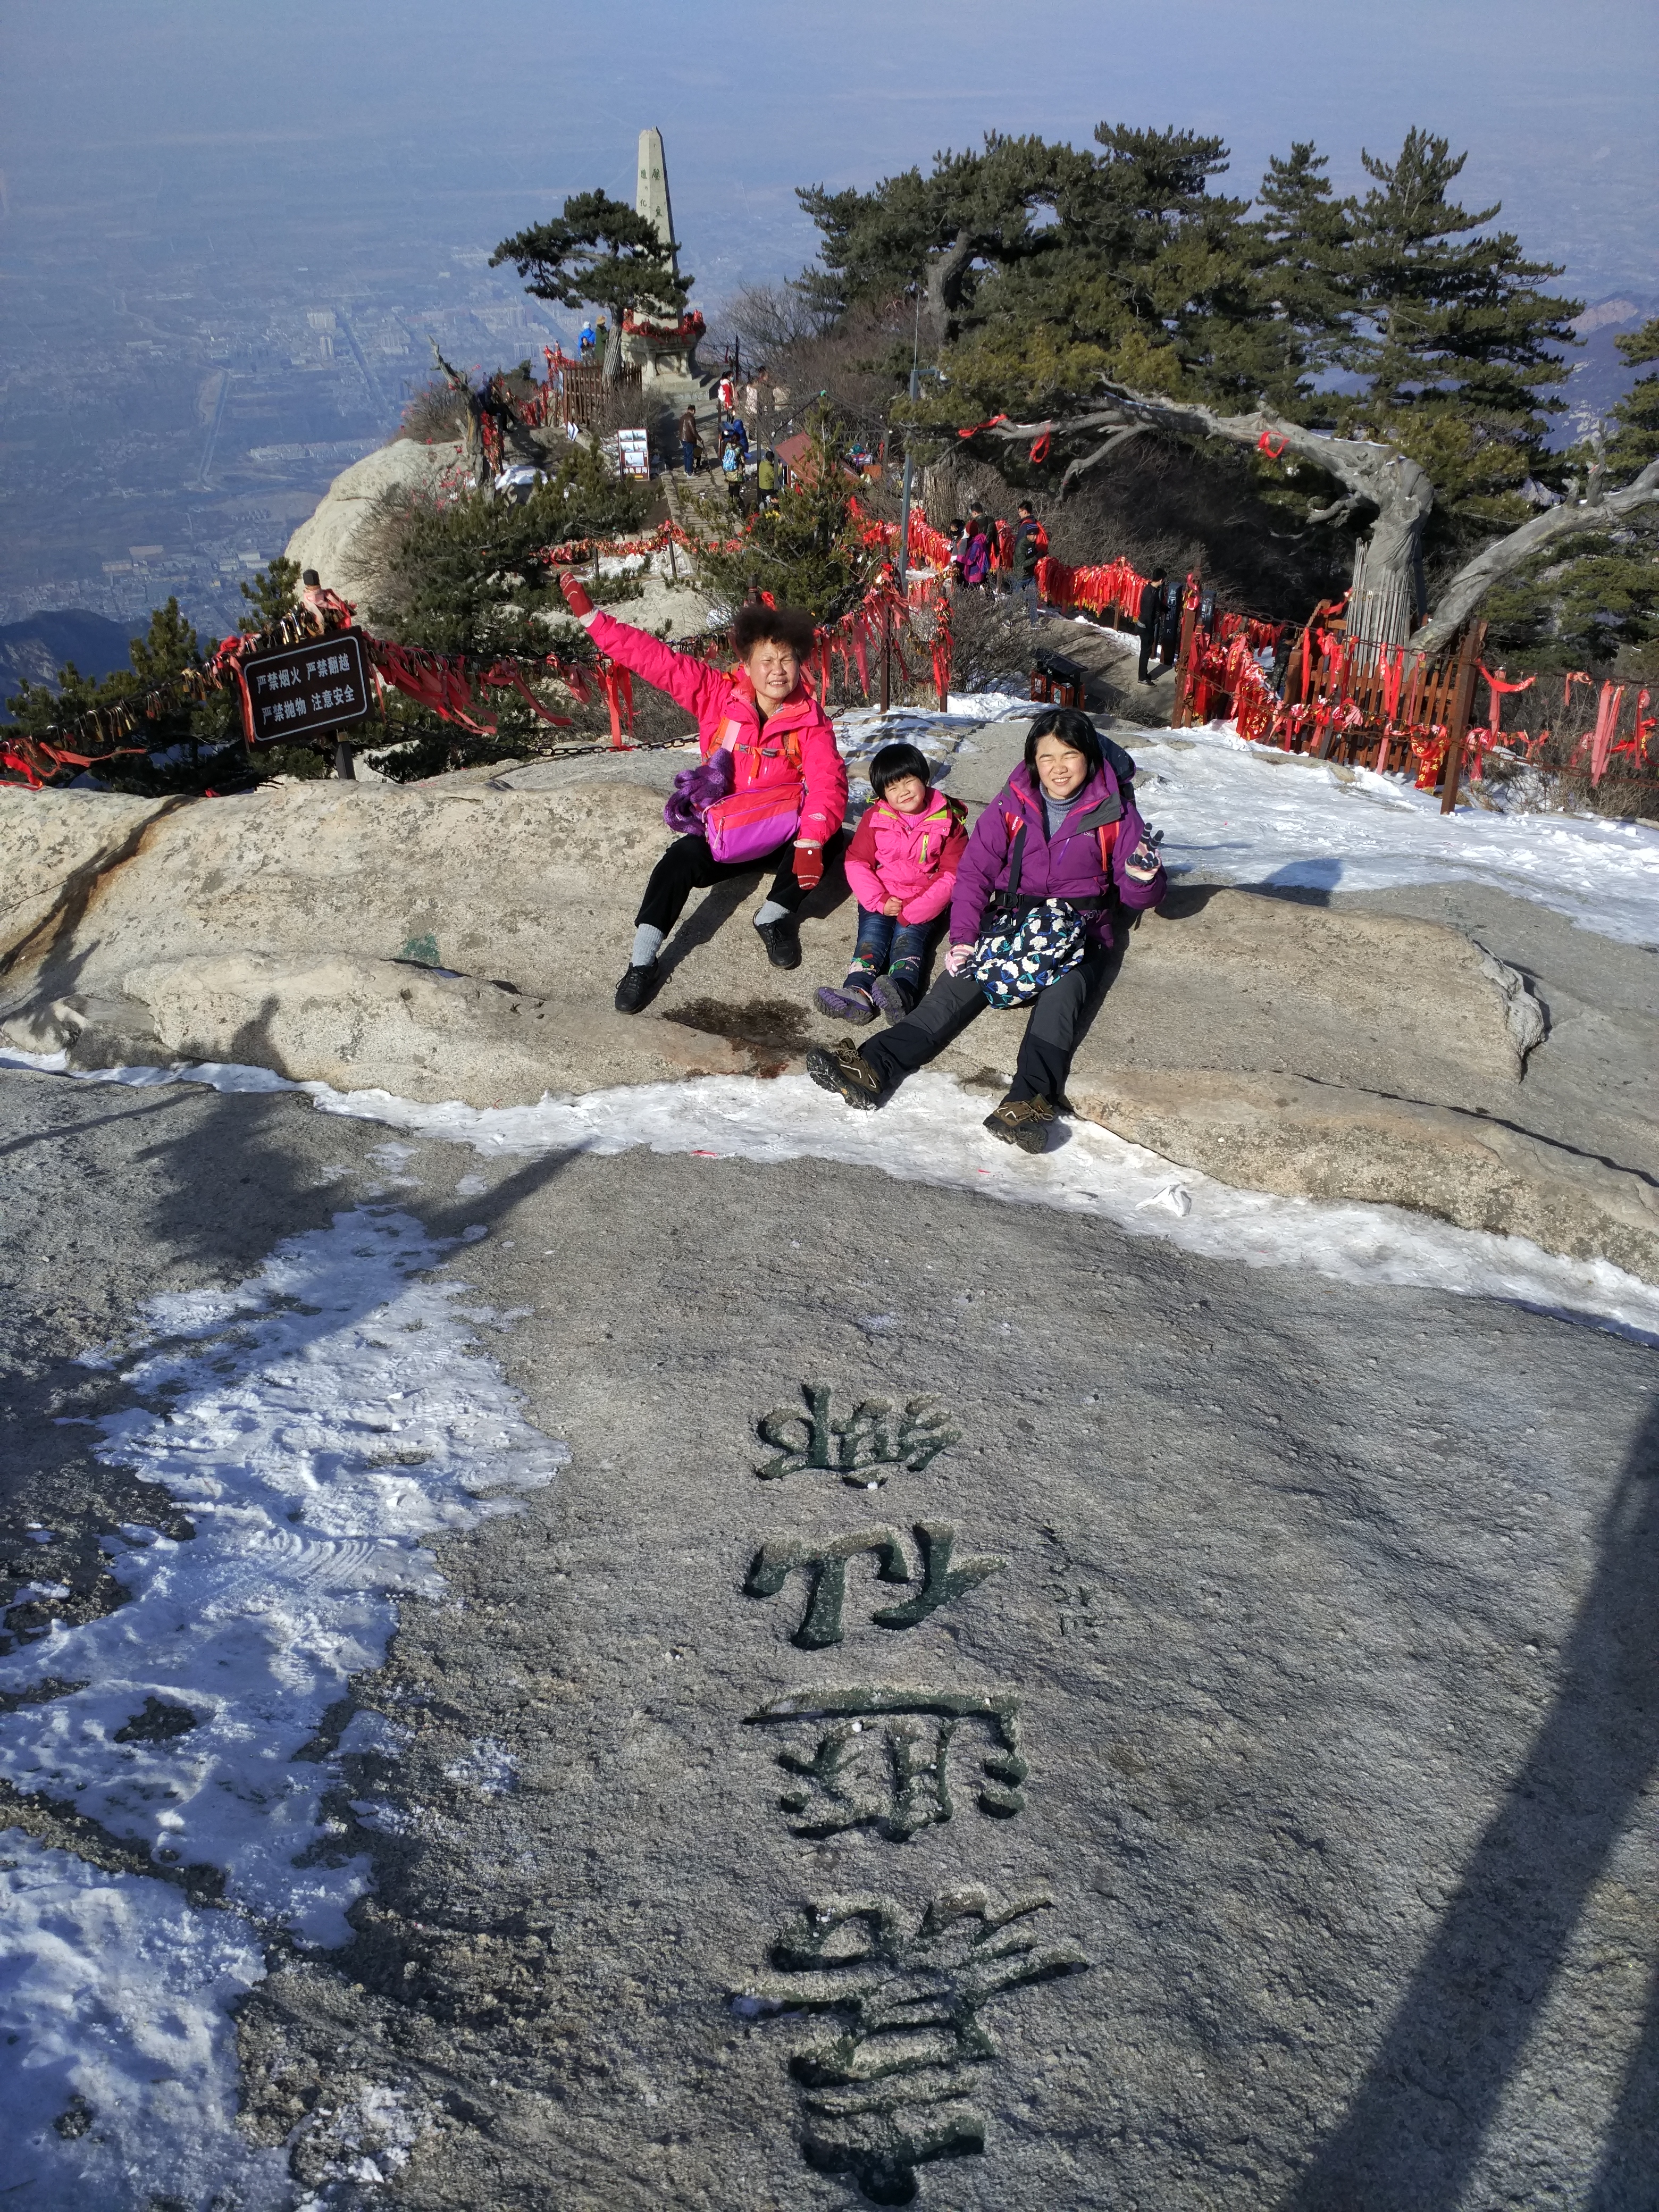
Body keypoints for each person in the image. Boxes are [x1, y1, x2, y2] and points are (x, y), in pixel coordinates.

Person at [806, 708, 1164, 1153]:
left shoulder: (1116, 812)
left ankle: (1026, 1102)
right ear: (1033, 760)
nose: (1058, 768)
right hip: (1011, 923)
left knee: (1061, 1002)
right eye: (1047, 757)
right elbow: (975, 873)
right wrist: (963, 940)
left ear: (1088, 757)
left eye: (1069, 755)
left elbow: (1138, 899)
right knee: (954, 988)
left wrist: (1143, 878)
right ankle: (874, 1065)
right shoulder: (1013, 802)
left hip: (1080, 933)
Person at [557, 574, 847, 1011]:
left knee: (831, 838)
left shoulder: (811, 719)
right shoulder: (716, 695)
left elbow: (828, 782)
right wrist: (595, 621)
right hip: (724, 831)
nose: (778, 671)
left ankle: (774, 915)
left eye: (787, 660)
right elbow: (655, 659)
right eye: (767, 660)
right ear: (746, 662)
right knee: (676, 864)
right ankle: (642, 962)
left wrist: (810, 842)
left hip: (778, 833)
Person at [816, 743, 968, 1025]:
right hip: (880, 897)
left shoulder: (949, 821)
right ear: (883, 794)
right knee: (870, 941)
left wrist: (915, 909)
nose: (904, 792)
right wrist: (878, 900)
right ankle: (857, 992)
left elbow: (953, 874)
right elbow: (857, 862)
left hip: (921, 902)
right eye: (893, 788)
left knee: (907, 944)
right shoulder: (876, 818)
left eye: (909, 781)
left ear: (924, 778)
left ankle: (902, 991)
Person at [1010, 501, 1048, 623]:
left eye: (1020, 511)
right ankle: (1007, 617)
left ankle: (1034, 622)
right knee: (1015, 598)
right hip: (1022, 574)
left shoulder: (1026, 527)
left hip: (1028, 573)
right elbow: (1022, 562)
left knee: (1032, 598)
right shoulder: (1033, 524)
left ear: (1025, 511)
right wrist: (1036, 557)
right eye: (1034, 536)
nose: (1036, 538)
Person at [1136, 567, 1167, 684]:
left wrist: (1165, 609)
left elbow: (1156, 605)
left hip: (1146, 625)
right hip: (1146, 627)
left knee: (1147, 651)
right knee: (1145, 652)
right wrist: (1150, 630)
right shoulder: (1150, 594)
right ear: (1161, 580)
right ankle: (1142, 678)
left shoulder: (1151, 589)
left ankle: (1144, 674)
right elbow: (1148, 615)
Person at [679, 404, 700, 477]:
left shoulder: (683, 417)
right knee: (690, 456)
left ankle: (686, 470)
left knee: (686, 455)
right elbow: (694, 431)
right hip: (689, 440)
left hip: (683, 439)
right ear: (693, 411)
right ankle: (690, 473)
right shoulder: (691, 419)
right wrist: (700, 439)